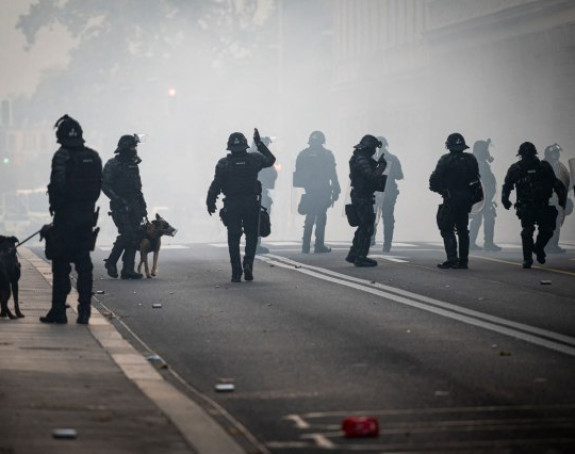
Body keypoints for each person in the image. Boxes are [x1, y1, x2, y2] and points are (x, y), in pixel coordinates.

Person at [41, 115, 102, 324]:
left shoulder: (62, 156)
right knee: (84, 266)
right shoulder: (93, 157)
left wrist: (57, 208)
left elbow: (57, 186)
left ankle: (58, 310)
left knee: (61, 266)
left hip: (65, 219)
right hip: (86, 218)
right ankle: (84, 311)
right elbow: (96, 189)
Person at [207, 128, 276, 282]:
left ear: (230, 148)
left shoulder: (223, 163)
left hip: (232, 205)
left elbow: (216, 185)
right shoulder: (255, 159)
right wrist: (259, 144)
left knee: (233, 238)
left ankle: (236, 271)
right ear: (245, 146)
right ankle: (248, 264)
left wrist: (210, 201)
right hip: (251, 203)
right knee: (251, 236)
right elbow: (271, 160)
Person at [502, 142, 566, 269]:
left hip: (543, 204)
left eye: (529, 154)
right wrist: (505, 199)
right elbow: (507, 185)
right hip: (526, 205)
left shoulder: (543, 167)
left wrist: (562, 199)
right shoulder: (516, 168)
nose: (528, 157)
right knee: (527, 231)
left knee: (547, 230)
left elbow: (556, 183)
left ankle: (538, 248)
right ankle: (527, 259)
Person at [429, 133, 481, 269]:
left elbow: (433, 181)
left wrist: (443, 190)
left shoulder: (445, 160)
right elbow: (475, 179)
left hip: (451, 199)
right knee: (463, 230)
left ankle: (452, 259)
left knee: (446, 228)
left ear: (449, 145)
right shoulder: (471, 159)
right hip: (466, 199)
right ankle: (463, 261)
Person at [102, 134, 148, 279]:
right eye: (133, 146)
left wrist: (142, 206)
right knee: (127, 234)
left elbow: (137, 188)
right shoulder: (112, 164)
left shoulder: (132, 165)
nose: (135, 149)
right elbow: (105, 185)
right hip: (120, 205)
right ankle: (111, 262)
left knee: (135, 236)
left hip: (134, 204)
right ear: (126, 148)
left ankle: (128, 269)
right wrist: (118, 200)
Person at [293, 130, 341, 253]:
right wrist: (336, 188)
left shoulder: (303, 154)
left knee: (310, 216)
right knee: (321, 217)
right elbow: (332, 173)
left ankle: (305, 246)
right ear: (322, 142)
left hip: (309, 190)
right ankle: (319, 245)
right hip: (323, 190)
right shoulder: (327, 154)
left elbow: (297, 173)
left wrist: (307, 184)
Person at [346, 134, 387, 267]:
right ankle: (360, 256)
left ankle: (354, 253)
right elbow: (371, 176)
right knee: (367, 227)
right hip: (362, 197)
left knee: (363, 226)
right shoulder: (361, 159)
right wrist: (381, 166)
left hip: (361, 195)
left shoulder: (359, 158)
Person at [371, 136, 403, 252]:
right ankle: (387, 245)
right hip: (389, 193)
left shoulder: (371, 159)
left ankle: (371, 239)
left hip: (374, 192)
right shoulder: (393, 158)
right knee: (388, 218)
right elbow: (400, 176)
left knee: (371, 215)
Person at [469, 139, 502, 251]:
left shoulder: (479, 163)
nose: (487, 152)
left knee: (483, 219)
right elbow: (484, 183)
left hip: (482, 198)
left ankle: (475, 243)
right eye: (485, 150)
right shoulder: (479, 164)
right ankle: (485, 243)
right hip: (481, 198)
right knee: (483, 219)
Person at [543, 143, 572, 254]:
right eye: (554, 152)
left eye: (557, 152)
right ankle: (546, 246)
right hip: (546, 200)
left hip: (557, 199)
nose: (557, 154)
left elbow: (565, 181)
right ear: (549, 154)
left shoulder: (560, 166)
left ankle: (553, 245)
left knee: (556, 223)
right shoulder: (543, 165)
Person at [253, 136, 277, 254]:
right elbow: (271, 174)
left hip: (244, 193)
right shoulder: (261, 157)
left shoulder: (246, 154)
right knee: (259, 217)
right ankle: (255, 245)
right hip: (258, 191)